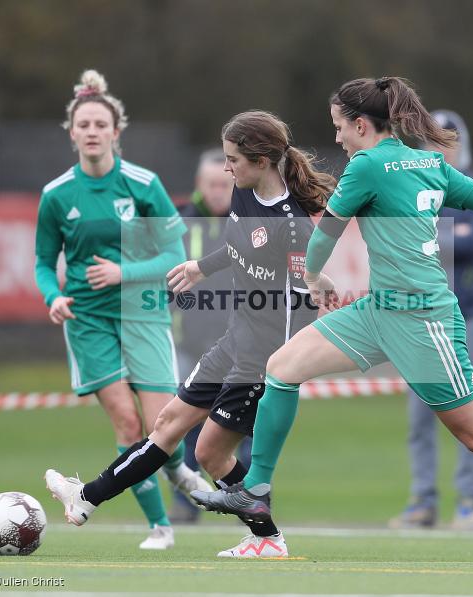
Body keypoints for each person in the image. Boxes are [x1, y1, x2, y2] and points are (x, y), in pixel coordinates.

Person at [192, 76, 473, 564]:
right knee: (282, 368)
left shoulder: (367, 164)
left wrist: (312, 275)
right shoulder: (429, 162)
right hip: (379, 310)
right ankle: (256, 490)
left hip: (423, 318)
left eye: (338, 127)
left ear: (361, 125)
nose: (337, 139)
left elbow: (328, 230)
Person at [44, 110, 336, 558]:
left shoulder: (294, 225)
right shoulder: (244, 192)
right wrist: (203, 266)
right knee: (167, 425)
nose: (226, 168)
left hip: (261, 358)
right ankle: (85, 499)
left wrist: (281, 367)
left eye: (233, 159)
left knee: (210, 455)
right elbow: (241, 247)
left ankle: (267, 537)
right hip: (234, 340)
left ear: (260, 160)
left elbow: (303, 305)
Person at [35, 69, 211, 551]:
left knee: (163, 428)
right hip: (89, 321)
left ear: (116, 132)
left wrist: (122, 273)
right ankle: (161, 526)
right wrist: (53, 296)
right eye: (83, 125)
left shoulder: (142, 184)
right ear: (72, 134)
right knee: (128, 425)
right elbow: (42, 262)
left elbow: (175, 255)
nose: (92, 132)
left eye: (100, 124)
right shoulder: (56, 195)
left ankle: (177, 470)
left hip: (144, 312)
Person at [390, 110, 473, 530]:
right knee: (419, 417)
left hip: (467, 316)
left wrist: (432, 233)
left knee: (472, 415)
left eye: (447, 142)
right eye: (433, 141)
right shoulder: (411, 185)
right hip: (418, 319)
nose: (440, 150)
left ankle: (470, 501)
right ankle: (423, 500)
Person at [168, 148, 252, 523]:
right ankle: (187, 505)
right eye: (211, 184)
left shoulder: (249, 221)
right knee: (185, 424)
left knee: (242, 426)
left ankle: (244, 499)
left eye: (224, 183)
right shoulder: (180, 223)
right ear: (199, 185)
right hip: (189, 343)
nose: (219, 190)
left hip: (240, 346)